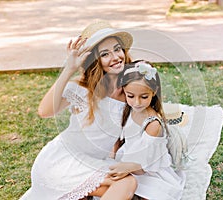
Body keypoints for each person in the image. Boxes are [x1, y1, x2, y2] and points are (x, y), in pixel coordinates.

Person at [20, 20, 137, 200]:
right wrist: (69, 68)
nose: (115, 57)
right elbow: (44, 111)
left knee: (120, 190)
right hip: (61, 161)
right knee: (127, 183)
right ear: (95, 61)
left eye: (117, 49)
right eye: (105, 54)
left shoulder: (131, 89)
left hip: (93, 162)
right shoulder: (82, 89)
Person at [108, 60, 186, 200]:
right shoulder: (128, 110)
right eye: (130, 96)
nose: (137, 103)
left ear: (153, 92)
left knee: (146, 193)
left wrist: (125, 168)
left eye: (144, 97)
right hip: (127, 159)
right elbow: (119, 138)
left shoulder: (153, 124)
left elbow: (146, 160)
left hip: (147, 168)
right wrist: (113, 155)